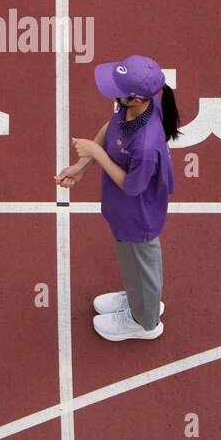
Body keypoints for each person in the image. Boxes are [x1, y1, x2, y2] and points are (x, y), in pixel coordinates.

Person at [56, 54, 180, 341]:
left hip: (138, 216)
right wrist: (82, 166)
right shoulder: (138, 105)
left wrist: (96, 153)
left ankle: (144, 321)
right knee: (131, 263)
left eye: (118, 90)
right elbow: (112, 126)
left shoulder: (146, 146)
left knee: (142, 267)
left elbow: (132, 186)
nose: (113, 93)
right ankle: (138, 299)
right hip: (125, 211)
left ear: (135, 99)